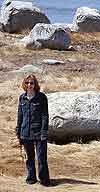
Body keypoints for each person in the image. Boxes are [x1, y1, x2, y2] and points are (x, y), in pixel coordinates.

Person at [16, 74, 50, 186]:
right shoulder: (22, 98)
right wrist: (18, 131)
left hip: (39, 133)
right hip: (25, 132)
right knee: (29, 158)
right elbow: (20, 116)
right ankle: (31, 178)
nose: (29, 85)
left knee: (41, 159)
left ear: (35, 84)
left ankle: (44, 180)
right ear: (24, 84)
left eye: (32, 83)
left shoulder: (41, 97)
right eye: (27, 83)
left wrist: (44, 132)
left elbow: (45, 115)